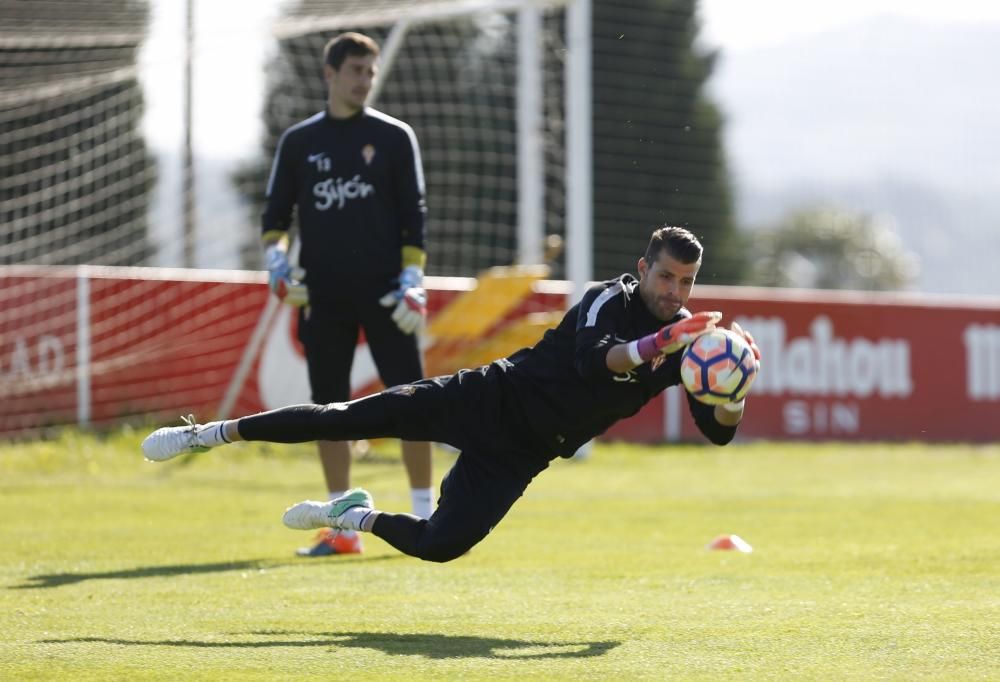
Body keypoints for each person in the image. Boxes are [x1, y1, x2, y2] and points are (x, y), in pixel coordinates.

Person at [143, 226, 761, 563]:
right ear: (643, 266)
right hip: (488, 397)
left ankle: (350, 515)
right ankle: (207, 434)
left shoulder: (687, 347)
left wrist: (735, 388)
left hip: (522, 454)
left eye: (686, 283)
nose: (675, 291)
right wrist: (662, 342)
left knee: (441, 546)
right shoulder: (611, 299)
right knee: (344, 418)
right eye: (666, 277)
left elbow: (718, 429)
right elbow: (597, 362)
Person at [258, 31, 434, 557]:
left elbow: (414, 218)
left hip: (387, 296)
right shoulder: (299, 142)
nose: (364, 81)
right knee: (328, 410)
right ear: (329, 74)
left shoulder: (395, 137)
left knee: (414, 403)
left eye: (370, 72)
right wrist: (276, 260)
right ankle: (343, 528)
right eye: (355, 71)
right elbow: (275, 220)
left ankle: (428, 517)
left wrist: (412, 280)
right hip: (324, 296)